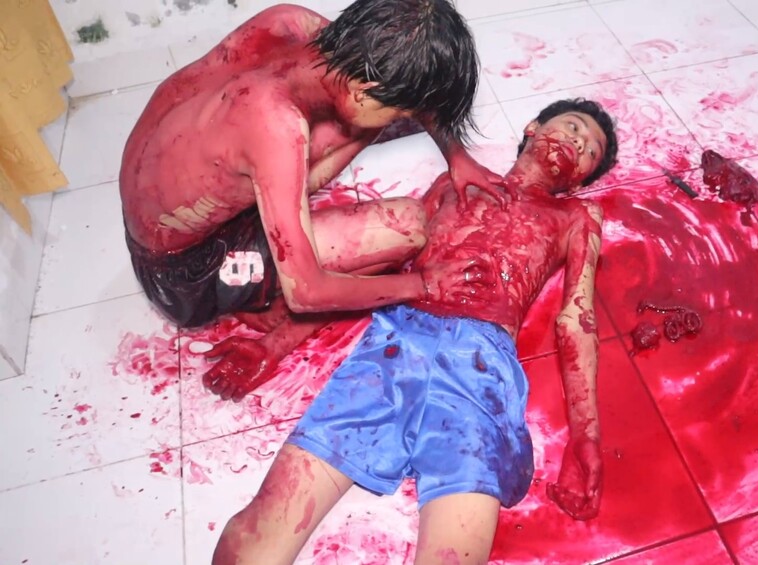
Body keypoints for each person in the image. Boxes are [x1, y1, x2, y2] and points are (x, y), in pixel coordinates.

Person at [212, 98, 619, 564]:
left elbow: (577, 319)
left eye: (590, 150)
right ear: (532, 127)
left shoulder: (577, 217)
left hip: (480, 374)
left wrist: (586, 435)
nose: (578, 143)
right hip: (395, 345)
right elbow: (384, 265)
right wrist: (274, 344)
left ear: (580, 180)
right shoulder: (455, 180)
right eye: (574, 127)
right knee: (262, 528)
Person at [119, 1, 507, 399]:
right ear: (363, 93)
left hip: (171, 205)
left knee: (347, 129)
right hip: (186, 274)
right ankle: (250, 300)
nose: (401, 121)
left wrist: (457, 157)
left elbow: (403, 77)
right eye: (398, 115)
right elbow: (307, 292)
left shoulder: (289, 23)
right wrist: (422, 285)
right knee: (405, 226)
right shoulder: (277, 127)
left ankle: (259, 274)